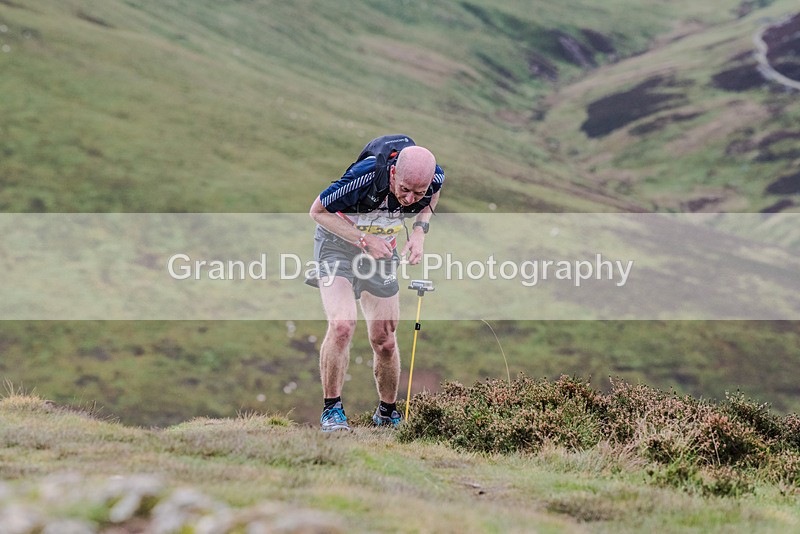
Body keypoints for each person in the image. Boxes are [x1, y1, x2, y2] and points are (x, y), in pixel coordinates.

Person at [308, 135, 445, 432]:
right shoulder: (366, 175)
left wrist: (419, 232)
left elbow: (432, 197)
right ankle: (332, 410)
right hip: (338, 244)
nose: (409, 199)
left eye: (417, 193)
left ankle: (387, 413)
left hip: (381, 249)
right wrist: (363, 239)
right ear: (393, 172)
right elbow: (317, 211)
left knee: (385, 339)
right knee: (342, 325)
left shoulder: (434, 180)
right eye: (404, 190)